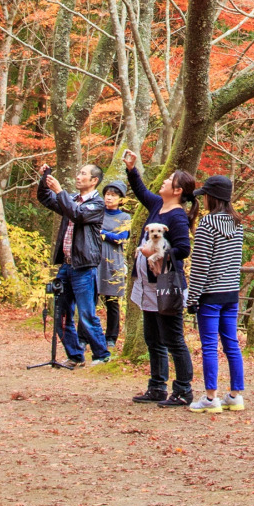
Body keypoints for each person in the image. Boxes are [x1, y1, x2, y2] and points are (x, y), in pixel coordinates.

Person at [125, 153, 194, 407]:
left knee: (173, 339)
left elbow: (183, 249)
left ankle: (183, 390)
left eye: (168, 180)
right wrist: (131, 169)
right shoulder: (158, 205)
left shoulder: (176, 216)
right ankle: (156, 386)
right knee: (152, 338)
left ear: (177, 190)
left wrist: (155, 253)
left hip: (166, 286)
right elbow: (141, 192)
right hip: (147, 285)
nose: (163, 181)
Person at [36, 163, 110, 368]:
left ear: (94, 180)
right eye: (78, 172)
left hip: (84, 267)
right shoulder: (70, 200)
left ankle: (102, 355)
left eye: (83, 174)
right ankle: (75, 356)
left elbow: (77, 215)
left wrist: (60, 192)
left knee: (86, 314)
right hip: (66, 266)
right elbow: (44, 198)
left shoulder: (97, 204)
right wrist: (45, 178)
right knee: (60, 313)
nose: (78, 177)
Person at [185, 174, 246, 413]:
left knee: (209, 345)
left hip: (210, 294)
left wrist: (192, 298)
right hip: (231, 292)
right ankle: (235, 395)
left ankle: (211, 398)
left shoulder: (208, 225)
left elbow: (201, 265)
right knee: (232, 344)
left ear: (212, 197)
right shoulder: (238, 224)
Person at [98, 177, 132, 346]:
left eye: (112, 195)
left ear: (120, 199)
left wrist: (104, 233)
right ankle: (86, 336)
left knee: (112, 302)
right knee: (90, 300)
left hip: (113, 263)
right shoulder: (97, 213)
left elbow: (121, 238)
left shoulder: (125, 217)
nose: (108, 198)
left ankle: (111, 338)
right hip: (95, 261)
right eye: (107, 194)